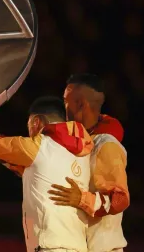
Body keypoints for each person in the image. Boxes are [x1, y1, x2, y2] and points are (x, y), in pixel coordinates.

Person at [0, 96, 93, 252]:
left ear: (37, 122)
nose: (30, 134)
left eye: (29, 126)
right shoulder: (83, 155)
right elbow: (15, 160)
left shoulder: (41, 146)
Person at [48, 73, 129, 252]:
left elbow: (120, 199)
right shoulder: (72, 143)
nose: (64, 107)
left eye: (65, 101)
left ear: (81, 104)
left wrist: (81, 199)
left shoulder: (106, 144)